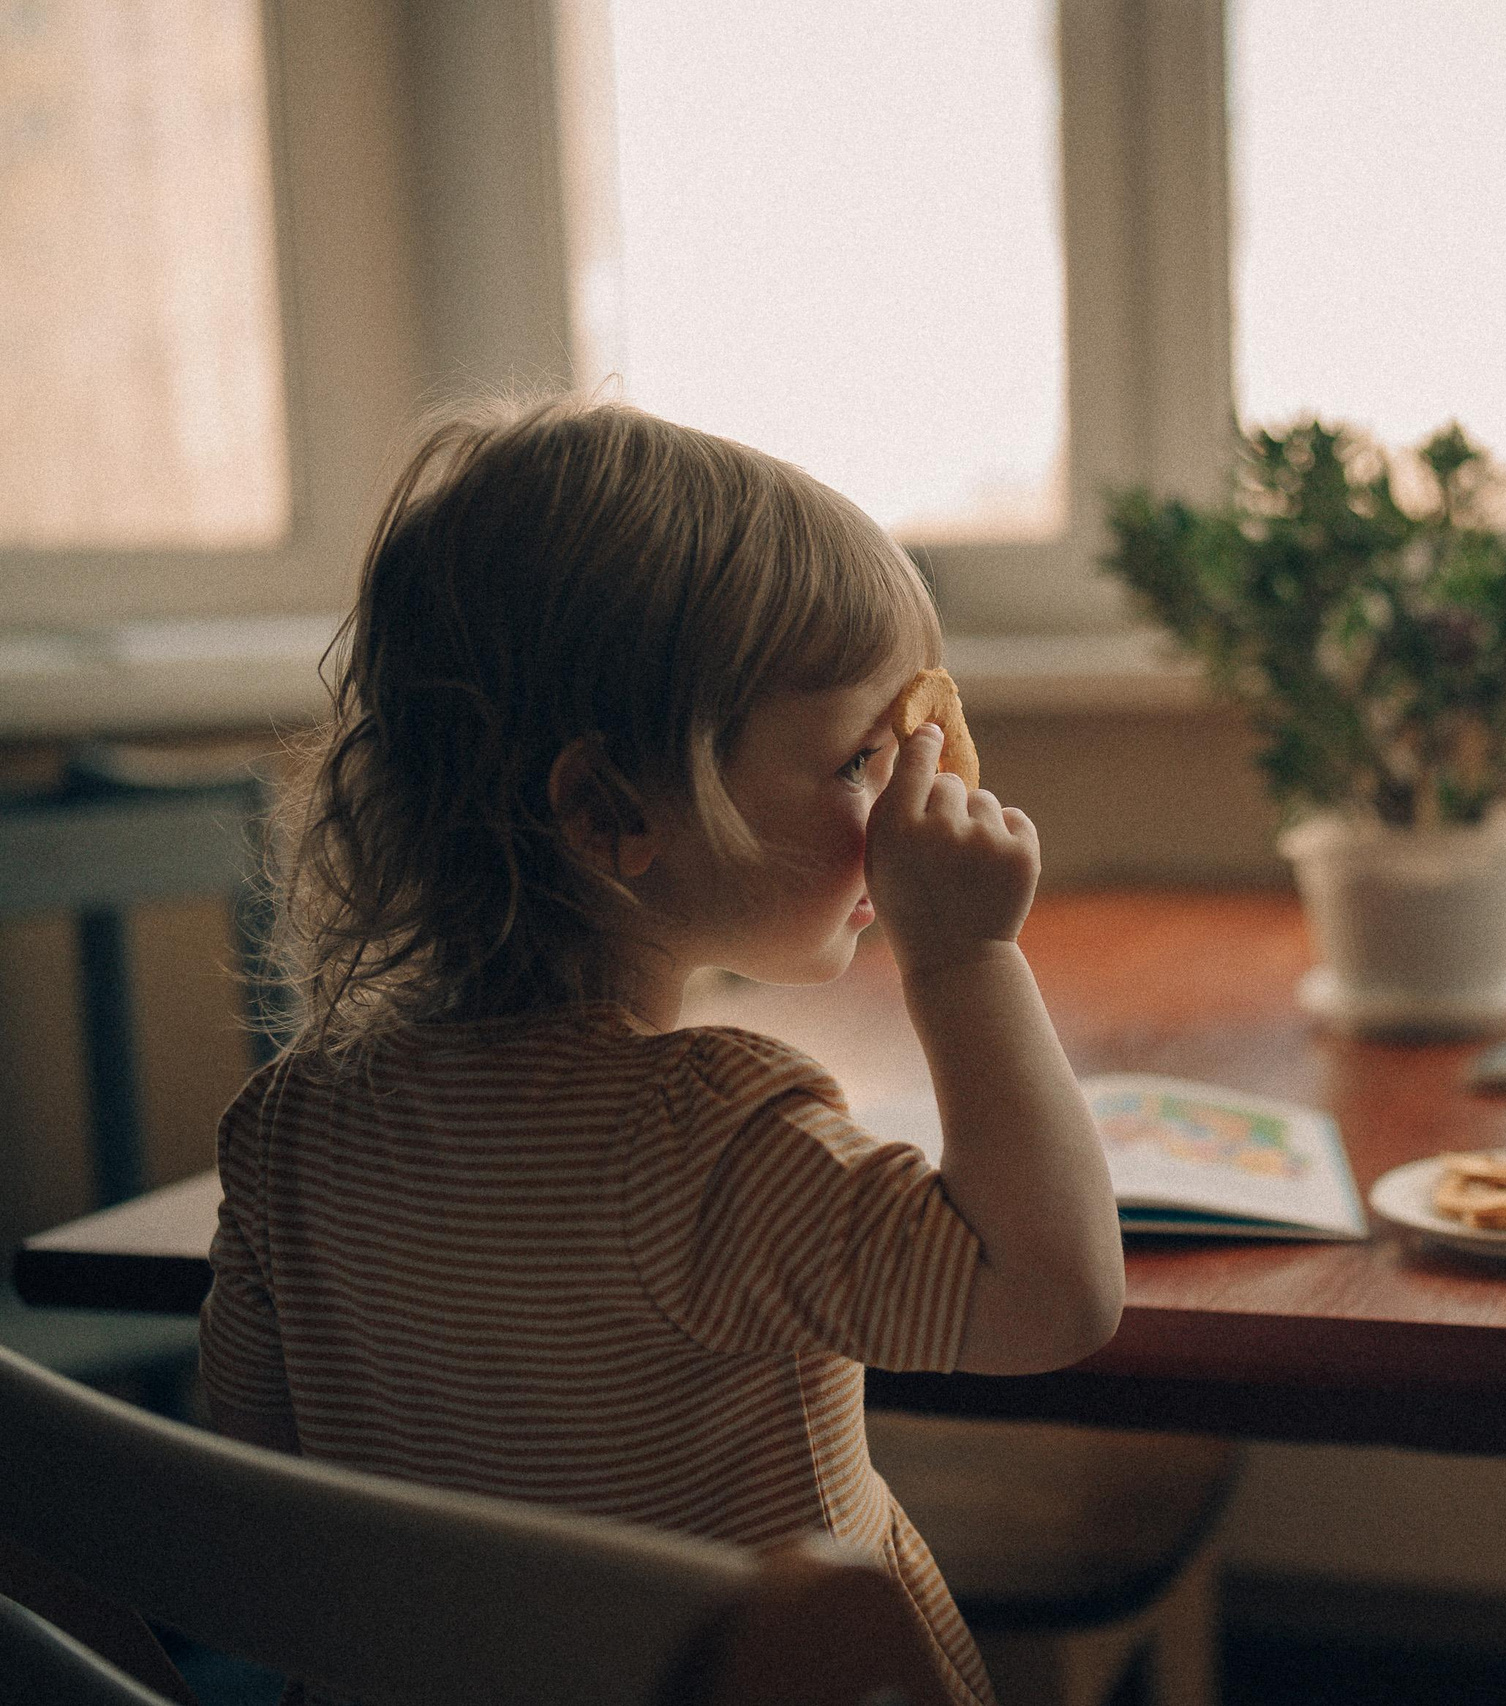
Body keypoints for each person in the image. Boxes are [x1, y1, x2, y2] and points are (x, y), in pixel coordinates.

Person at [196, 397, 1124, 1706]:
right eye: (862, 757)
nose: (917, 790)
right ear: (612, 808)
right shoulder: (708, 1139)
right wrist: (965, 958)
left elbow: (259, 1465)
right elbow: (1055, 1296)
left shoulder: (289, 1124)